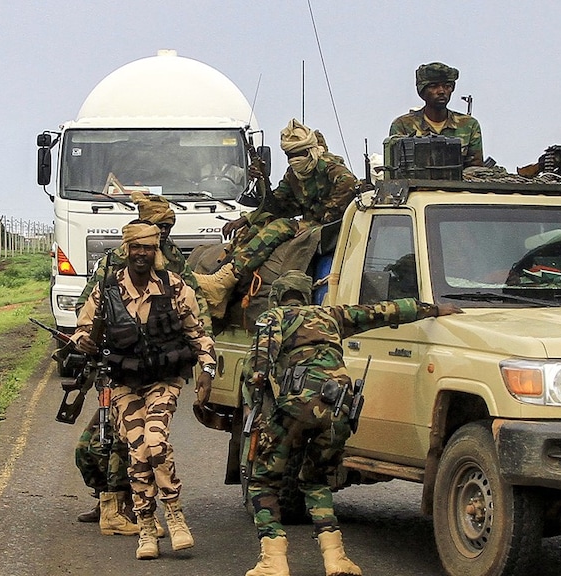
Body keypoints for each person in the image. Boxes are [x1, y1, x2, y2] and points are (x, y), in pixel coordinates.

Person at [241, 271, 462, 576]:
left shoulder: (273, 317)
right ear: (308, 296)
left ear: (277, 296)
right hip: (339, 410)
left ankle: (273, 561)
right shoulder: (332, 314)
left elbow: (257, 371)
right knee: (316, 481)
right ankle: (336, 559)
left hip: (294, 409)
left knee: (263, 481)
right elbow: (383, 312)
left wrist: (257, 414)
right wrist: (433, 309)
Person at [71, 221, 216, 560]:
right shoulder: (106, 290)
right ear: (126, 249)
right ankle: (147, 527)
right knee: (138, 451)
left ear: (156, 251)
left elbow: (198, 333)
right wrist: (86, 343)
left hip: (164, 380)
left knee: (155, 440)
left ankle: (175, 513)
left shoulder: (173, 286)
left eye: (148, 248)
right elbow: (81, 330)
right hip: (124, 383)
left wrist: (207, 369)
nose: (141, 254)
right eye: (135, 247)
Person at [195, 119, 358, 317]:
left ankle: (228, 278)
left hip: (333, 228)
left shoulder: (339, 176)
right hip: (312, 223)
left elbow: (332, 217)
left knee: (280, 226)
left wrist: (298, 223)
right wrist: (254, 203)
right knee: (259, 225)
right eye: (290, 155)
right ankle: (225, 277)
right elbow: (278, 205)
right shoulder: (294, 173)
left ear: (312, 150)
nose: (294, 159)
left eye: (299, 154)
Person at [389, 62, 484, 168]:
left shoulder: (468, 125)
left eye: (447, 86)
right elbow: (396, 170)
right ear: (422, 91)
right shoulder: (403, 125)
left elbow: (476, 170)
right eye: (434, 86)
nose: (441, 91)